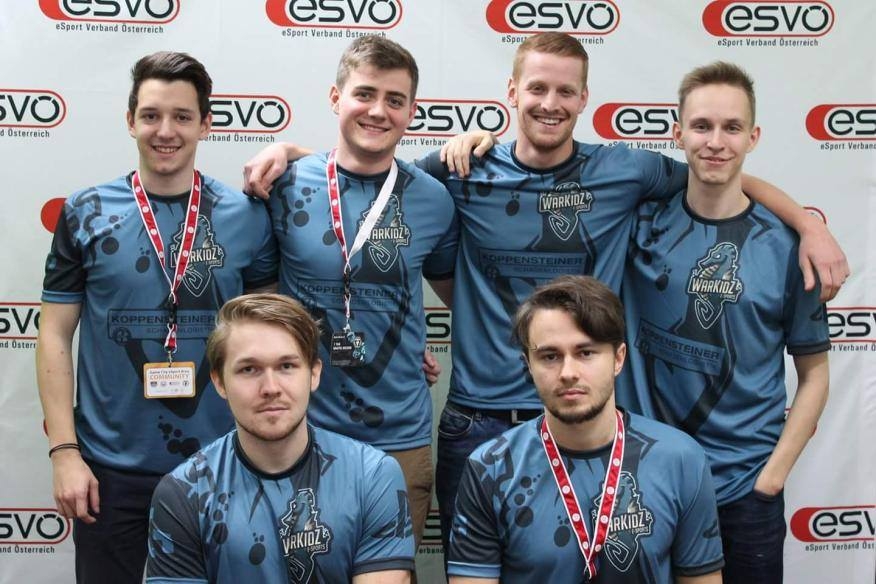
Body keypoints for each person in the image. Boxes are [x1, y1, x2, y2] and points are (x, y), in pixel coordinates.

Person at [241, 32, 847, 555]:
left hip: (585, 423)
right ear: (512, 92)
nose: (549, 103)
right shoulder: (462, 171)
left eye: (565, 91)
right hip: (478, 423)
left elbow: (715, 172)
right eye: (536, 88)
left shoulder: (626, 171)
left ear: (584, 100)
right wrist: (291, 154)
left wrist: (808, 224)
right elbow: (364, 167)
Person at [36, 52, 278, 583]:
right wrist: (64, 452)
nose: (165, 131)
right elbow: (54, 334)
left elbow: (272, 335)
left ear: (206, 124)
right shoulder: (86, 212)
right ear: (130, 121)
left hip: (223, 465)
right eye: (151, 115)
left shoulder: (246, 216)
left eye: (182, 116)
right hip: (108, 469)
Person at [618, 62, 830, 583]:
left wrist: (772, 479)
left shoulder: (788, 248)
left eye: (732, 128)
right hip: (645, 484)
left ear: (753, 137)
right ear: (678, 133)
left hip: (745, 493)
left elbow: (815, 375)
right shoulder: (638, 221)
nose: (716, 142)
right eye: (702, 126)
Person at [260, 35, 458, 556]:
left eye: (395, 100)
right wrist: (287, 149)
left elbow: (462, 298)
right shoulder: (284, 186)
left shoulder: (433, 199)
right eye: (364, 94)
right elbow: (255, 308)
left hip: (399, 437)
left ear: (411, 111)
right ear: (336, 98)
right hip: (300, 433)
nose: (377, 111)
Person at [447, 275, 723, 583]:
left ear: (618, 359)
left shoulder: (681, 459)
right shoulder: (490, 468)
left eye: (585, 352)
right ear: (528, 364)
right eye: (550, 356)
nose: (568, 372)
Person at [146, 293, 415, 584]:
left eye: (287, 366)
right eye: (249, 369)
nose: (271, 387)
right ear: (219, 382)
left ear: (314, 374)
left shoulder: (372, 475)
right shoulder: (184, 492)